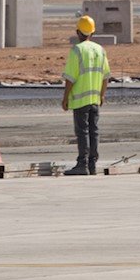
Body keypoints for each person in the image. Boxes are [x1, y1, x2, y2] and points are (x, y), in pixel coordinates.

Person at [61, 15, 111, 175]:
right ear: (92, 33)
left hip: (80, 100)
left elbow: (70, 78)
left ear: (78, 32)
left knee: (82, 132)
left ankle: (82, 164)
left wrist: (65, 98)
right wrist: (102, 95)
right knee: (94, 131)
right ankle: (92, 164)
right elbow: (106, 76)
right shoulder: (100, 50)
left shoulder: (77, 50)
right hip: (94, 99)